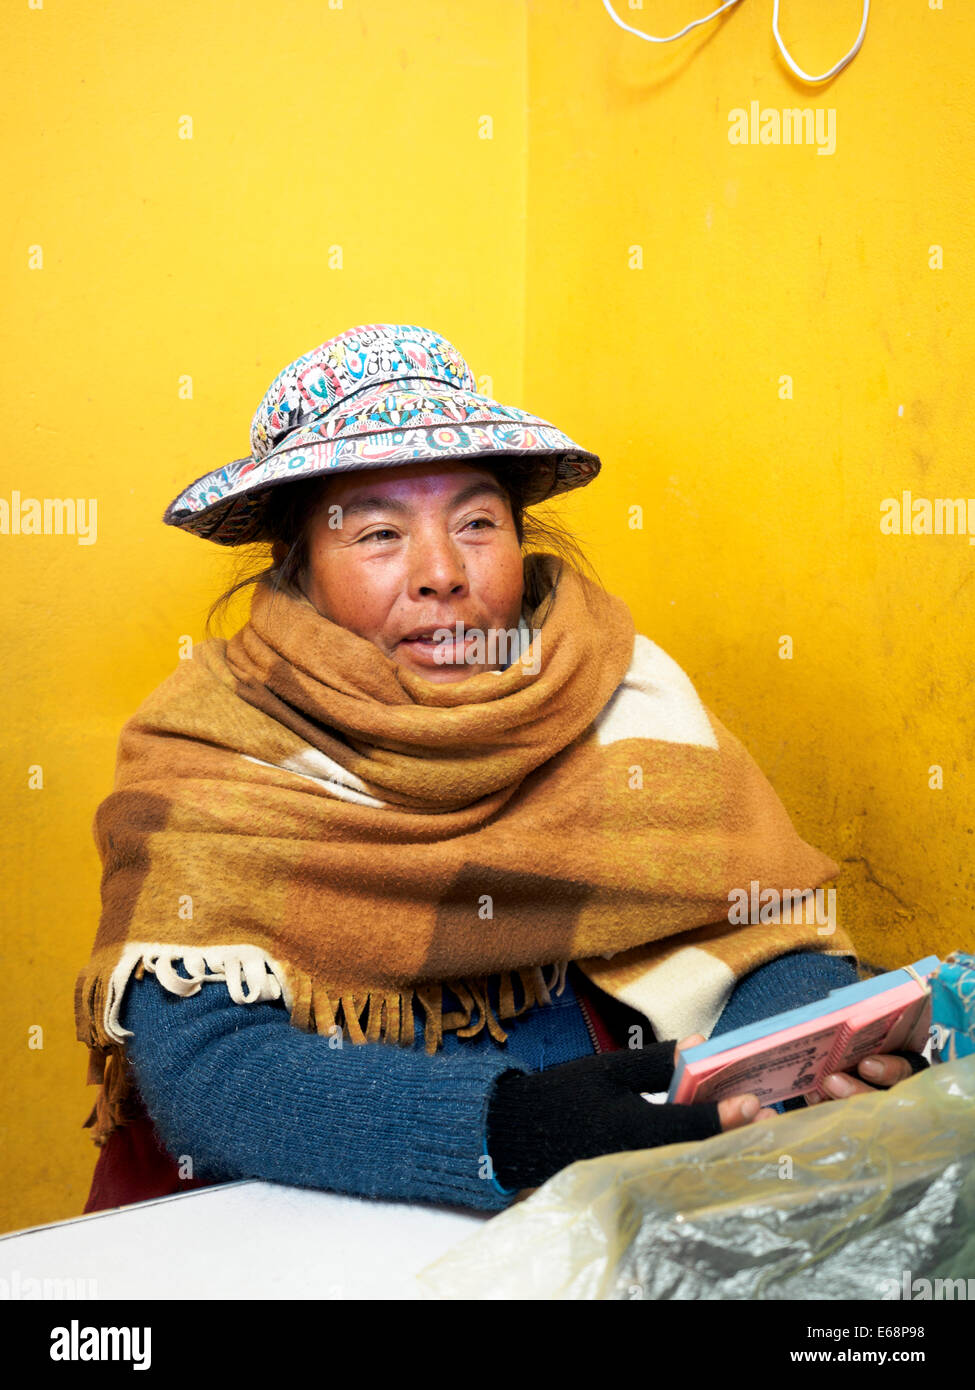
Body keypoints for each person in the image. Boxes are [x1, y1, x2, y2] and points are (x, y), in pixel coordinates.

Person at [74, 324, 926, 1215]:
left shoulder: (626, 692)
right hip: (327, 1223)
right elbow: (208, 1066)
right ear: (299, 570)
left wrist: (772, 1084)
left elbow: (774, 934)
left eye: (477, 523)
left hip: (634, 1201)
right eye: (376, 534)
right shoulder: (212, 743)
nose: (442, 573)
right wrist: (508, 1131)